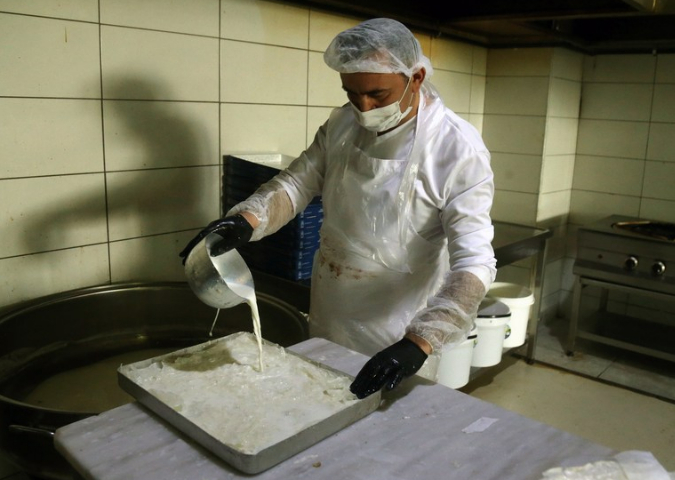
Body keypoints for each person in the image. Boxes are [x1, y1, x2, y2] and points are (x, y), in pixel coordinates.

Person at [180, 18, 496, 400]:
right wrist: (245, 221)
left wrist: (420, 342)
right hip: (332, 304)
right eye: (352, 93)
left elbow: (474, 263)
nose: (363, 108)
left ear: (415, 77)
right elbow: (297, 183)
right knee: (319, 401)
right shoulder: (343, 124)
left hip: (398, 326)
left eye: (378, 94)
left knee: (384, 429)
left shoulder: (457, 149)